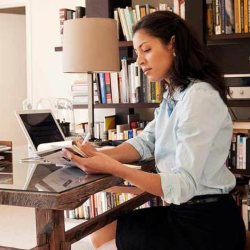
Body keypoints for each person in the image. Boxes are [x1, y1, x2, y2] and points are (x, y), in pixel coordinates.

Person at [63, 10, 246, 250]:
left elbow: (182, 186)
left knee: (101, 243)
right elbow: (145, 143)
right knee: (98, 233)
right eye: (137, 52)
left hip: (206, 227)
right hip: (184, 215)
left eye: (146, 50)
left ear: (173, 45)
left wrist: (114, 168)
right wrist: (95, 156)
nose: (139, 61)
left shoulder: (199, 97)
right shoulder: (175, 95)